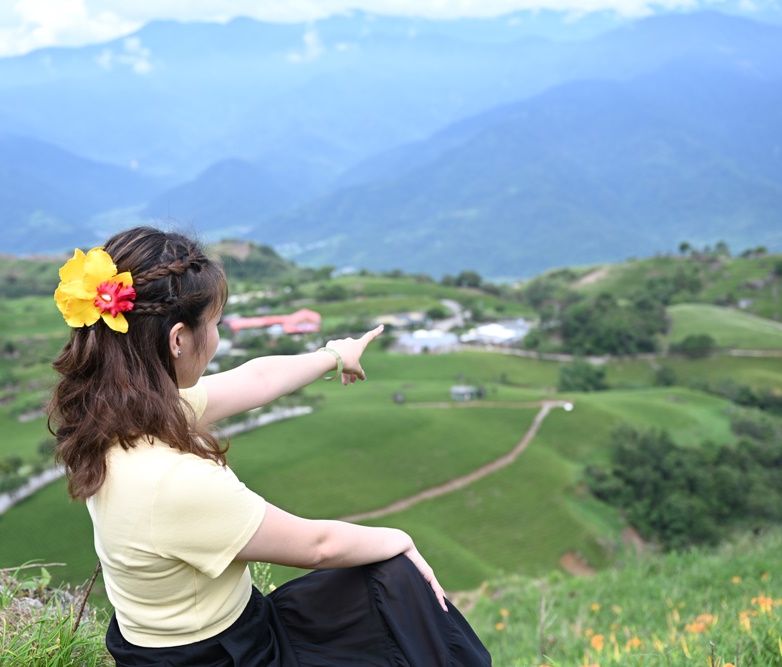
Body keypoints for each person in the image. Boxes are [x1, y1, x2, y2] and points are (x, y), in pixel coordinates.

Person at [49, 226, 492, 666]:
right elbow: (319, 546)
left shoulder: (117, 417)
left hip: (201, 637)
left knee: (383, 591)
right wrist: (402, 539)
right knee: (394, 577)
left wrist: (335, 355)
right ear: (178, 339)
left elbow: (255, 379)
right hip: (221, 658)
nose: (217, 338)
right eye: (215, 324)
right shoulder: (170, 479)